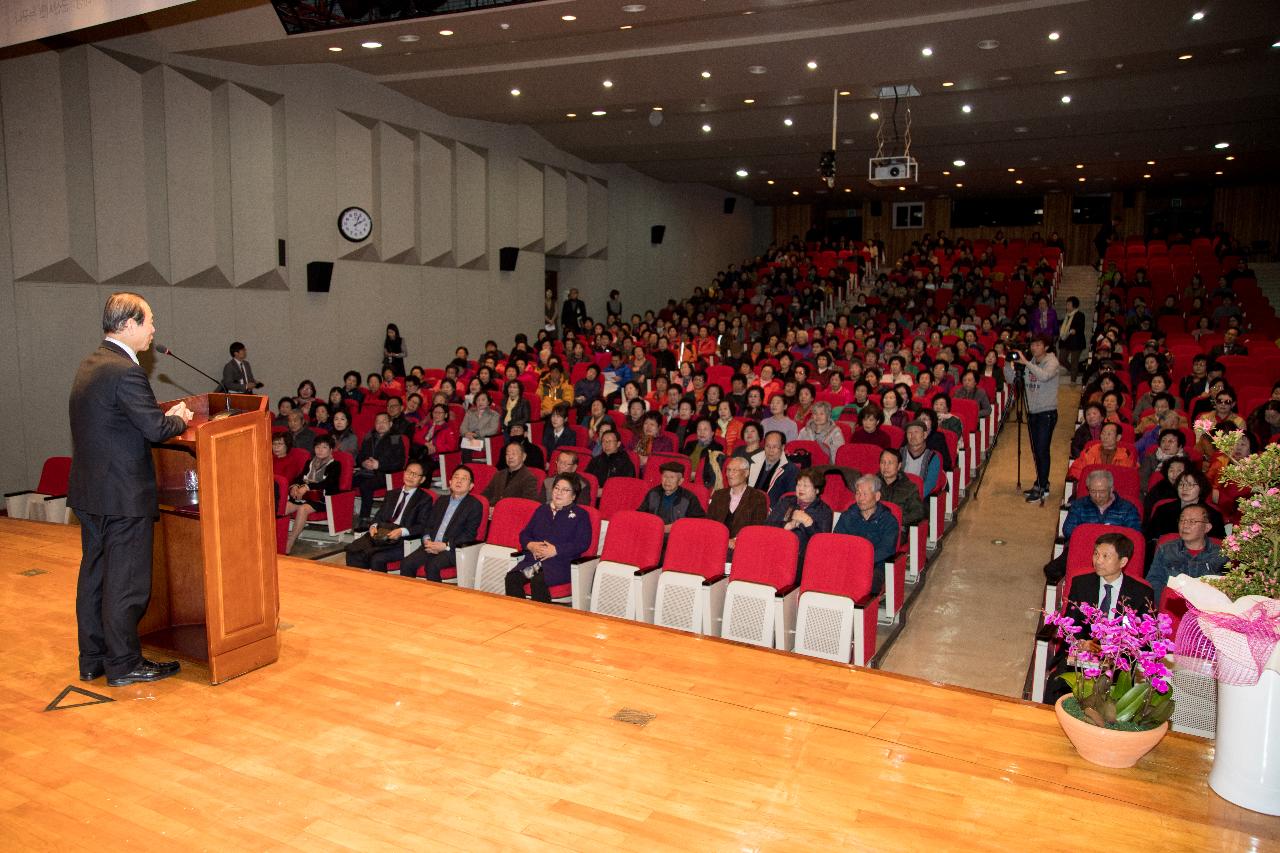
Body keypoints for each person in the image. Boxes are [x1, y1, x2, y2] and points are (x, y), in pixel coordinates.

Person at [69, 292, 192, 686]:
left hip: (92, 494)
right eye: (150, 321)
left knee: (96, 576)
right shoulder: (125, 371)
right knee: (126, 582)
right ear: (129, 325)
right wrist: (177, 417)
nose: (154, 330)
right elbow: (155, 429)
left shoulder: (90, 364)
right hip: (122, 496)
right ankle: (123, 663)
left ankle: (93, 658)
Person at [1044, 533, 1154, 705]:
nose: (1098, 560)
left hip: (1118, 662)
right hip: (1082, 655)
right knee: (1057, 685)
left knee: (1113, 697)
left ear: (1123, 562)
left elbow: (1142, 639)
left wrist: (1112, 650)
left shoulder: (1140, 593)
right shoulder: (1082, 583)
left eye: (1105, 556)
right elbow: (1071, 623)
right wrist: (1081, 643)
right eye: (1096, 554)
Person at [505, 474, 593, 602]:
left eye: (565, 490)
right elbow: (524, 534)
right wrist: (531, 545)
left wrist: (556, 550)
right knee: (512, 578)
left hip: (560, 564)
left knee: (539, 579)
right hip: (535, 563)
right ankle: (519, 616)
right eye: (556, 488)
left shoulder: (581, 515)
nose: (559, 493)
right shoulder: (542, 510)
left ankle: (541, 619)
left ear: (573, 496)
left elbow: (582, 543)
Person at [400, 465, 484, 582]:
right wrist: (427, 540)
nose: (459, 480)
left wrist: (445, 545)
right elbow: (428, 525)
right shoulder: (441, 500)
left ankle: (436, 599)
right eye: (456, 477)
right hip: (431, 545)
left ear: (471, 486)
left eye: (464, 478)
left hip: (452, 550)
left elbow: (469, 535)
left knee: (432, 566)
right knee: (406, 563)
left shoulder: (474, 505)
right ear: (450, 482)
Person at [344, 462, 434, 571]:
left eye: (415, 474)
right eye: (409, 472)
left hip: (402, 540)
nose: (410, 476)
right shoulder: (392, 494)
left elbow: (422, 525)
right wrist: (373, 526)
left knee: (376, 559)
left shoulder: (424, 499)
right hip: (381, 534)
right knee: (353, 552)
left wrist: (401, 531)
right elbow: (379, 515)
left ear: (422, 479)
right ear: (404, 473)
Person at [1006, 334, 1061, 501]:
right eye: (1033, 345)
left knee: (1042, 449)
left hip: (1047, 412)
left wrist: (1026, 363)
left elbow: (1044, 376)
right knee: (1036, 450)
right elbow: (1012, 380)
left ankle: (1043, 487)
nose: (1034, 348)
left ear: (1046, 347)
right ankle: (1041, 482)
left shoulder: (1052, 362)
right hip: (1032, 412)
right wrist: (1008, 363)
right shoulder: (1029, 362)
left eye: (1038, 345)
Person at [833, 474, 901, 596]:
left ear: (877, 496)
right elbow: (838, 541)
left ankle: (865, 612)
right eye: (858, 493)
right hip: (849, 562)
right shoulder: (847, 516)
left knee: (869, 582)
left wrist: (863, 561)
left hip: (875, 565)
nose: (860, 498)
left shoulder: (889, 520)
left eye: (865, 494)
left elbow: (886, 550)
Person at [765, 467, 833, 574]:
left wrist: (808, 523)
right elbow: (767, 525)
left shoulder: (824, 511)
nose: (800, 489)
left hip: (802, 561)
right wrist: (786, 526)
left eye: (805, 486)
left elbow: (822, 544)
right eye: (798, 485)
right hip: (776, 552)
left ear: (817, 490)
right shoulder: (786, 502)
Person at [283, 435, 343, 554]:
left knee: (303, 509)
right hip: (305, 496)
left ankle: (290, 541)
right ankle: (275, 537)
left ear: (331, 450)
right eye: (317, 447)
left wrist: (307, 486)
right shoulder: (310, 462)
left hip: (322, 499)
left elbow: (328, 483)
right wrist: (294, 486)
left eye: (324, 447)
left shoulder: (335, 464)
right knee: (284, 507)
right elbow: (300, 478)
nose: (320, 450)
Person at [352, 412, 407, 529]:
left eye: (384, 422)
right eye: (378, 422)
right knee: (347, 482)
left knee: (366, 486)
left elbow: (399, 463)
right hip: (366, 471)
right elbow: (360, 456)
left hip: (385, 474)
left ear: (390, 424)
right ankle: (343, 517)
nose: (380, 424)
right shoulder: (369, 437)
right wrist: (363, 462)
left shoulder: (395, 438)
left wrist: (379, 465)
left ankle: (365, 518)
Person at [707, 456, 769, 554]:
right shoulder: (719, 495)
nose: (730, 474)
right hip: (716, 545)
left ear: (746, 473)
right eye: (728, 470)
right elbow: (709, 524)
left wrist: (736, 540)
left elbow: (756, 528)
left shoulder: (757, 498)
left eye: (735, 470)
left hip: (743, 548)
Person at [1061, 469, 1142, 541]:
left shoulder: (1127, 508)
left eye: (1102, 492)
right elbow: (1068, 531)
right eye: (1093, 491)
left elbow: (1134, 533)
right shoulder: (1078, 505)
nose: (1097, 496)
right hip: (1084, 547)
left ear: (1111, 489)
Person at [639, 461, 706, 532]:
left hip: (677, 535)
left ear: (680, 481)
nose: (667, 481)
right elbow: (641, 515)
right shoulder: (653, 493)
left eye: (672, 477)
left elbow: (698, 522)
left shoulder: (689, 498)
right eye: (665, 476)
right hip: (653, 532)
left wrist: (675, 527)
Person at [878, 449, 926, 541]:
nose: (886, 466)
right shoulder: (872, 483)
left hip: (897, 529)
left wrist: (897, 520)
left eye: (890, 463)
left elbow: (918, 512)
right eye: (883, 462)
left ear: (899, 466)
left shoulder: (909, 487)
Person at [1066, 421, 1136, 481]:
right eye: (1103, 433)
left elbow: (1127, 477)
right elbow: (1076, 469)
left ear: (1118, 437)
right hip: (1091, 487)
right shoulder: (1090, 451)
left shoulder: (1126, 455)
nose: (1105, 437)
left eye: (1109, 434)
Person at [748, 430, 799, 506]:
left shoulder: (791, 469)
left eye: (775, 447)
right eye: (768, 446)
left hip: (772, 510)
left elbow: (791, 497)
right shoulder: (753, 461)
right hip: (748, 505)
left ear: (782, 447)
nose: (771, 450)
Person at [900, 420, 942, 497]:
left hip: (920, 497)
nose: (913, 436)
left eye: (916, 432)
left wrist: (911, 497)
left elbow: (930, 483)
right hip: (899, 493)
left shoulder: (933, 457)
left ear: (925, 435)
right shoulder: (899, 453)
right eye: (909, 433)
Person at [1058, 296, 1087, 383]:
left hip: (1076, 342)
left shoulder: (1080, 315)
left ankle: (1073, 380)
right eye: (1066, 304)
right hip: (1065, 341)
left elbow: (1081, 327)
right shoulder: (1067, 316)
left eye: (1068, 304)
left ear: (1074, 306)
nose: (1067, 306)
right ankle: (1074, 371)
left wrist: (1075, 330)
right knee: (1062, 359)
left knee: (1075, 361)